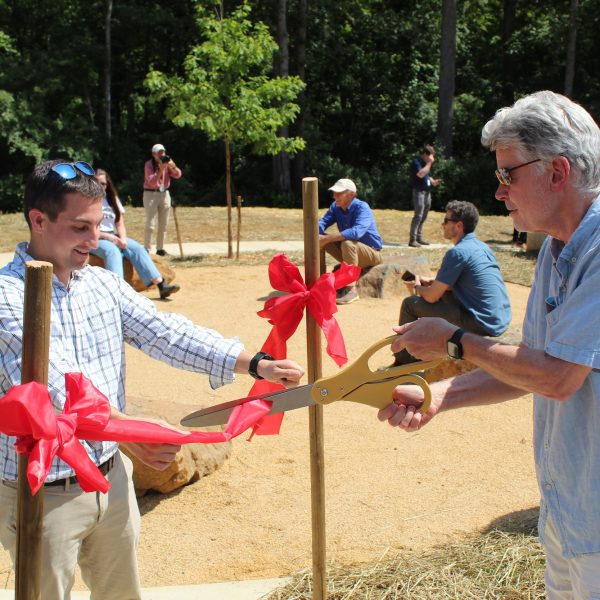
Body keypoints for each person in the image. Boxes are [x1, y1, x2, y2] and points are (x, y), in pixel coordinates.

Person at [0, 159, 304, 600]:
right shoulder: (7, 297)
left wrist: (254, 363)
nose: (96, 239)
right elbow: (55, 387)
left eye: (99, 224)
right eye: (81, 227)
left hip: (112, 480)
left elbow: (166, 332)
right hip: (44, 495)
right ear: (38, 220)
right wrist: (129, 433)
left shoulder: (100, 284)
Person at [379, 91, 600, 598]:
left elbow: (557, 378)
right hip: (568, 512)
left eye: (508, 175)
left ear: (558, 171)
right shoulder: (557, 247)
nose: (498, 192)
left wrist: (455, 342)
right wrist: (442, 395)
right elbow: (534, 363)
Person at [393, 200, 511, 365]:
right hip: (498, 320)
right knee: (444, 295)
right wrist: (431, 282)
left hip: (481, 324)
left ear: (458, 226)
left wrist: (417, 287)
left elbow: (432, 297)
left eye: (446, 221)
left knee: (409, 304)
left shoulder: (457, 252)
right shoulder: (481, 247)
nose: (443, 225)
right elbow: (452, 284)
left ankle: (404, 362)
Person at [90, 168, 180, 300]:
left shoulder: (111, 198)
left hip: (113, 235)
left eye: (103, 184)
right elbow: (89, 227)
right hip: (94, 237)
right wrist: (111, 238)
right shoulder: (87, 200)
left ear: (108, 184)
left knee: (137, 248)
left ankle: (161, 285)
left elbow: (119, 223)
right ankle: (117, 293)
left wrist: (122, 238)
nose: (101, 187)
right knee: (113, 252)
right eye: (97, 183)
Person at [319, 178, 383, 305]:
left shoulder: (362, 207)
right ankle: (319, 282)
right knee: (317, 239)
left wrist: (327, 238)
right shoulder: (335, 207)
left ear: (352, 194)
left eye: (339, 193)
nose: (335, 196)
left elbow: (356, 232)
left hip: (372, 255)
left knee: (347, 242)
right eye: (334, 193)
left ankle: (351, 290)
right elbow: (323, 222)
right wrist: (315, 231)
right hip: (350, 251)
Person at [143, 143, 182, 256]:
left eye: (163, 152)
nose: (162, 155)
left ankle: (160, 248)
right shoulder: (149, 165)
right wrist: (160, 170)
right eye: (159, 153)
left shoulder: (167, 163)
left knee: (163, 223)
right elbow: (151, 182)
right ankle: (146, 248)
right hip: (151, 194)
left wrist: (172, 166)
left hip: (164, 193)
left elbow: (178, 175)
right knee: (150, 224)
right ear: (153, 154)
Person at [408, 144, 441, 247]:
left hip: (427, 191)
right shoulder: (416, 162)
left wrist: (433, 181)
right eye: (431, 156)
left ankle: (419, 237)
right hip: (419, 191)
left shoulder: (425, 163)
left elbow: (427, 175)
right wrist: (430, 163)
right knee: (418, 215)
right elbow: (420, 174)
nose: (432, 159)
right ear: (426, 154)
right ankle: (412, 240)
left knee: (424, 215)